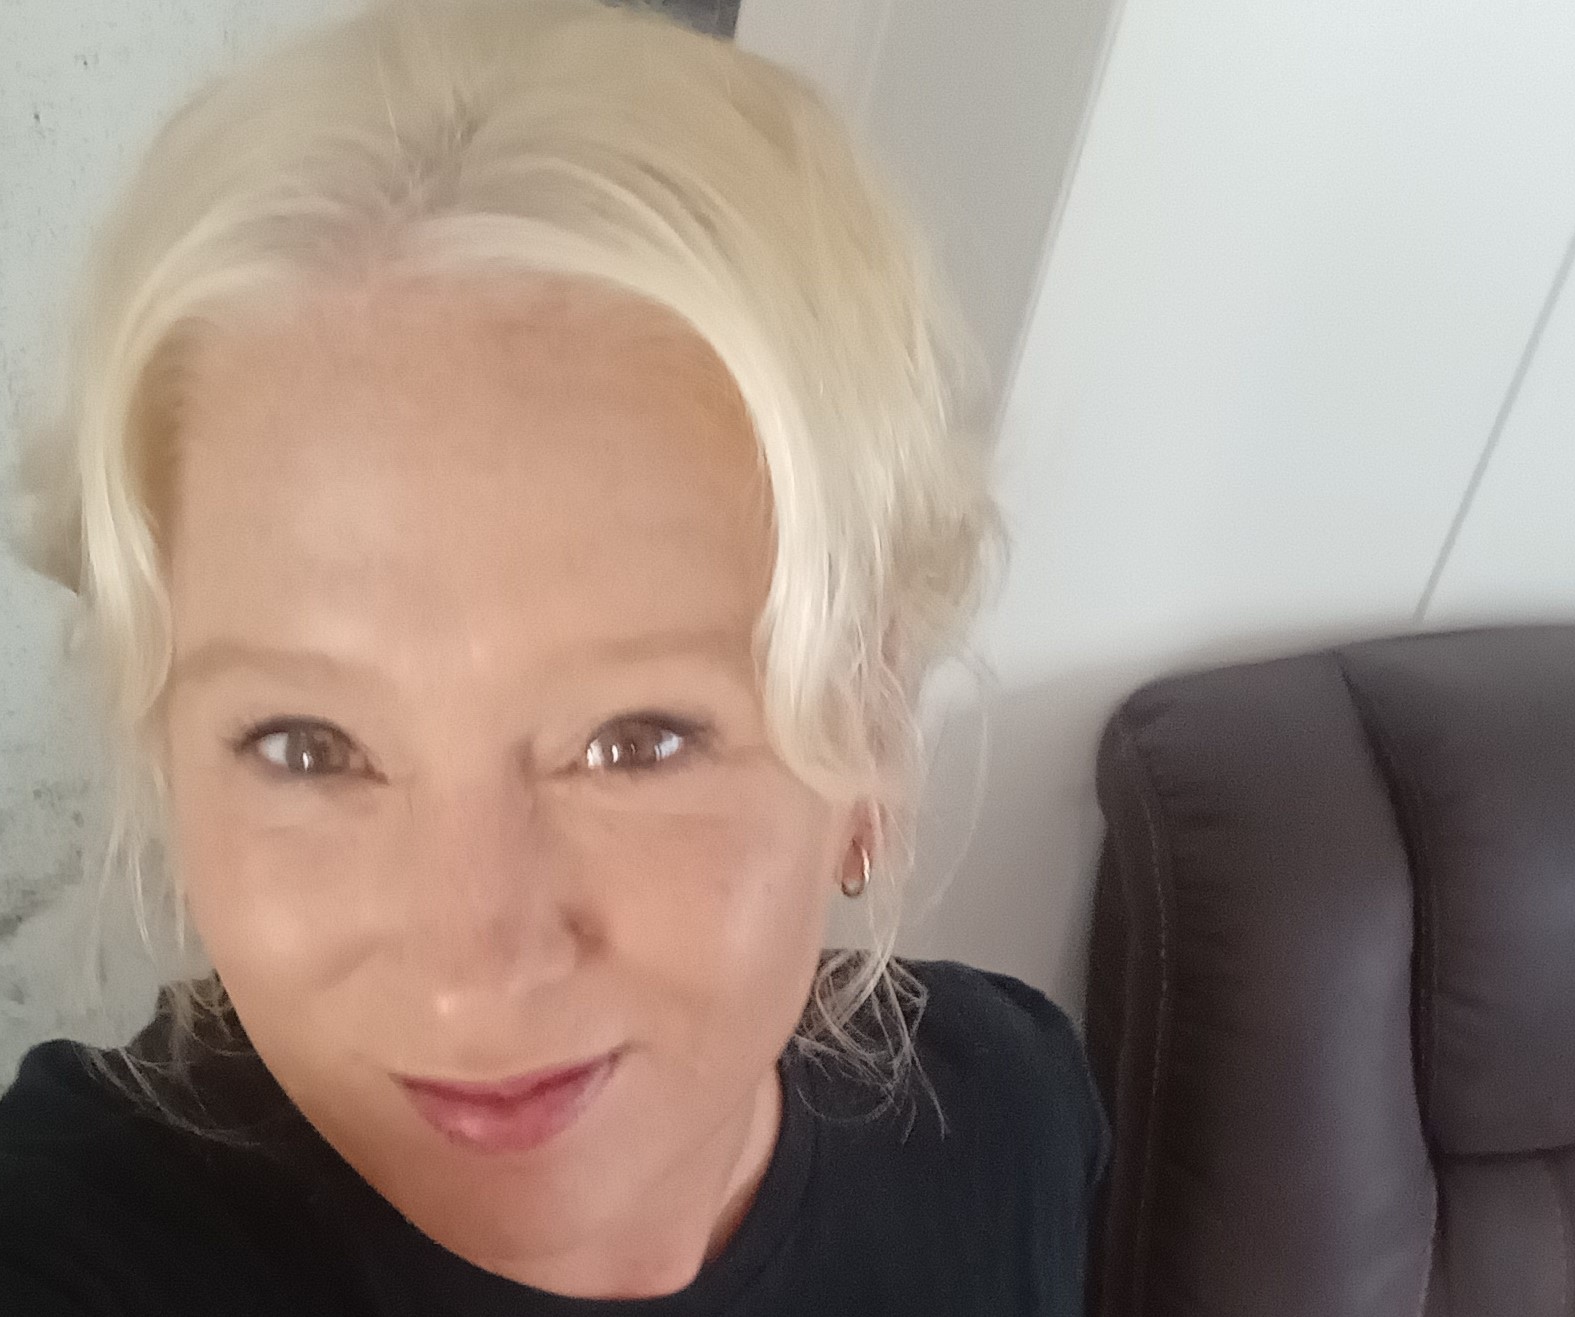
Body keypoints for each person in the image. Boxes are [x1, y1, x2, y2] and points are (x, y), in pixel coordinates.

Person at [0, 2, 1108, 1313]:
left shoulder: (1004, 1121)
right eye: (307, 746)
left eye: (638, 738)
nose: (471, 973)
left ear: (865, 728)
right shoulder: (89, 1235)